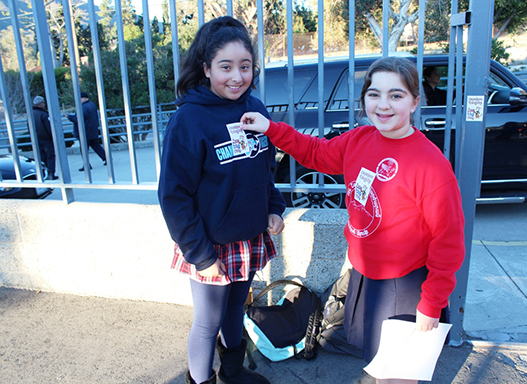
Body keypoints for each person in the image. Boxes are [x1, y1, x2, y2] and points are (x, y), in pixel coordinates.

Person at [241, 57, 465, 384]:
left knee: (399, 376)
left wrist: (432, 302)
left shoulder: (431, 165)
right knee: (378, 365)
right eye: (374, 94)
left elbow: (448, 242)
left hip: (405, 287)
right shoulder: (359, 140)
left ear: (416, 101)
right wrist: (271, 129)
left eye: (396, 95)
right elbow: (315, 152)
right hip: (366, 279)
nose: (383, 105)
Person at [157, 16, 285, 384]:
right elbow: (173, 196)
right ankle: (201, 381)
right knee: (208, 322)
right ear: (206, 69)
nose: (236, 76)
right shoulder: (189, 120)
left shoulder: (256, 109)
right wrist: (201, 255)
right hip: (209, 246)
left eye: (245, 67)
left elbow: (264, 173)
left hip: (248, 238)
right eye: (225, 66)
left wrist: (274, 209)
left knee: (235, 314)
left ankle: (232, 372)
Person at [67, 92, 107, 171]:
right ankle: (106, 158)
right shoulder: (92, 105)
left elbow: (77, 119)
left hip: (84, 132)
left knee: (84, 149)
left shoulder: (82, 107)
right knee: (96, 146)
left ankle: (86, 164)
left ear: (84, 98)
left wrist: (69, 117)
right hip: (92, 130)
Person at [32, 96, 58, 180]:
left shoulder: (31, 114)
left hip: (37, 139)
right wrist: (53, 137)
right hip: (46, 139)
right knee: (50, 157)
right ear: (40, 104)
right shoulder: (44, 114)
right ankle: (51, 173)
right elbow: (49, 127)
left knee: (41, 157)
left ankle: (43, 174)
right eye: (43, 102)